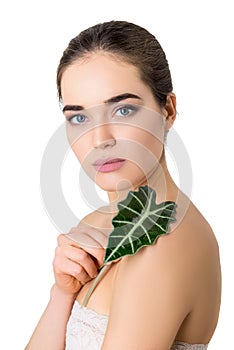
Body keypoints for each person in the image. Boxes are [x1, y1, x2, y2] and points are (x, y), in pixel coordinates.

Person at [25, 21, 221, 350]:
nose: (100, 140)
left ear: (168, 110)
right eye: (79, 117)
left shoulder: (166, 244)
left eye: (123, 109)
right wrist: (62, 294)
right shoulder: (95, 225)